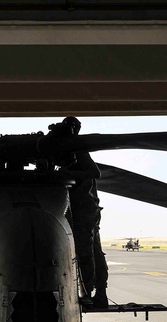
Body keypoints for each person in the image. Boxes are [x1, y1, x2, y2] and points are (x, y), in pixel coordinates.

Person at [55, 117, 109, 307]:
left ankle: (87, 291)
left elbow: (95, 172)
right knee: (94, 250)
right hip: (88, 208)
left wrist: (68, 175)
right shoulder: (73, 149)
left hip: (85, 209)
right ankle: (100, 292)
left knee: (85, 251)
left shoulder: (78, 149)